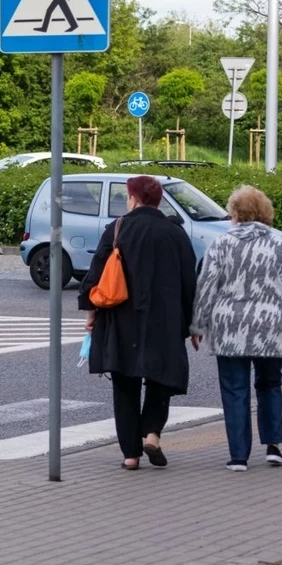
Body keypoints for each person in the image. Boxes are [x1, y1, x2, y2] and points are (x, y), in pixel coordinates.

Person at [191, 185, 282, 472]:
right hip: (272, 326)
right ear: (265, 212)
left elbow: (206, 287)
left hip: (230, 326)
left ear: (234, 212)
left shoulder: (221, 243)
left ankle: (238, 456)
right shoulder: (281, 243)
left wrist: (197, 324)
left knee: (234, 389)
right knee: (270, 384)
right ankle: (273, 446)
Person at [79, 176, 197, 470]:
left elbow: (94, 276)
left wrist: (91, 315)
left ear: (133, 199)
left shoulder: (117, 229)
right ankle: (152, 435)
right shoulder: (175, 233)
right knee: (161, 379)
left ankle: (130, 455)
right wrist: (194, 324)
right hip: (165, 321)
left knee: (124, 384)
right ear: (158, 201)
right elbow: (189, 283)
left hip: (121, 320)